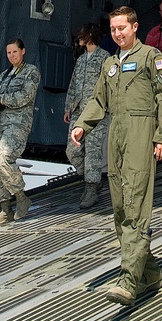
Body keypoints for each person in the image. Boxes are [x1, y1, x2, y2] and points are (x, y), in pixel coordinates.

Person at [71, 6, 162, 305]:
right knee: (119, 209)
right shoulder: (110, 65)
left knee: (135, 206)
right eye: (114, 29)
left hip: (141, 131)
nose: (118, 33)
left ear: (135, 27)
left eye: (122, 28)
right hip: (116, 133)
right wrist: (82, 126)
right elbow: (97, 100)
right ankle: (151, 273)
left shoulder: (151, 57)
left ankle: (129, 279)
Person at [0, 38, 41, 226]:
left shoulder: (31, 71)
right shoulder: (5, 73)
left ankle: (21, 196)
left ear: (23, 51)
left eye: (15, 52)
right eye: (9, 53)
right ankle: (5, 209)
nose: (11, 56)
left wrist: (1, 99)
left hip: (17, 124)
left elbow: (25, 96)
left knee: (3, 159)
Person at [64, 24, 111, 208]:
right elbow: (74, 84)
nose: (79, 39)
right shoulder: (81, 60)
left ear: (90, 35)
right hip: (78, 111)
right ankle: (92, 177)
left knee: (92, 150)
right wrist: (68, 108)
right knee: (72, 150)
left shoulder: (104, 57)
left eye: (82, 36)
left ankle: (91, 188)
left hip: (97, 112)